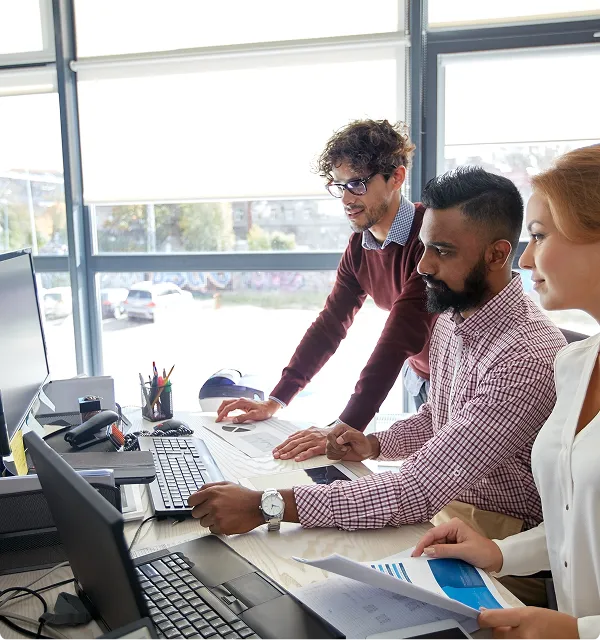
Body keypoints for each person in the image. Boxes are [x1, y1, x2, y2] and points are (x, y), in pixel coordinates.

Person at [189, 167, 566, 544]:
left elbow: (416, 491)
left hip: (500, 533)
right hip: (447, 505)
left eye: (442, 252)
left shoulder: (525, 358)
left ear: (497, 255)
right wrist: (375, 444)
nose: (423, 266)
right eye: (424, 247)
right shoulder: (453, 317)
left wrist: (264, 506)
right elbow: (438, 418)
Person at [411, 145, 600, 640]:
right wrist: (502, 554)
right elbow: (573, 523)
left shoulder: (534, 351)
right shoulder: (577, 364)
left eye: (539, 236)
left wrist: (581, 633)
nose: (526, 256)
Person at [215, 119, 436, 462]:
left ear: (396, 178)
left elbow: (399, 337)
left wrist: (343, 428)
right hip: (420, 375)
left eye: (358, 184)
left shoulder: (429, 239)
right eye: (340, 185)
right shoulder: (359, 248)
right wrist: (277, 399)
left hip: (460, 374)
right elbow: (330, 325)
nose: (347, 198)